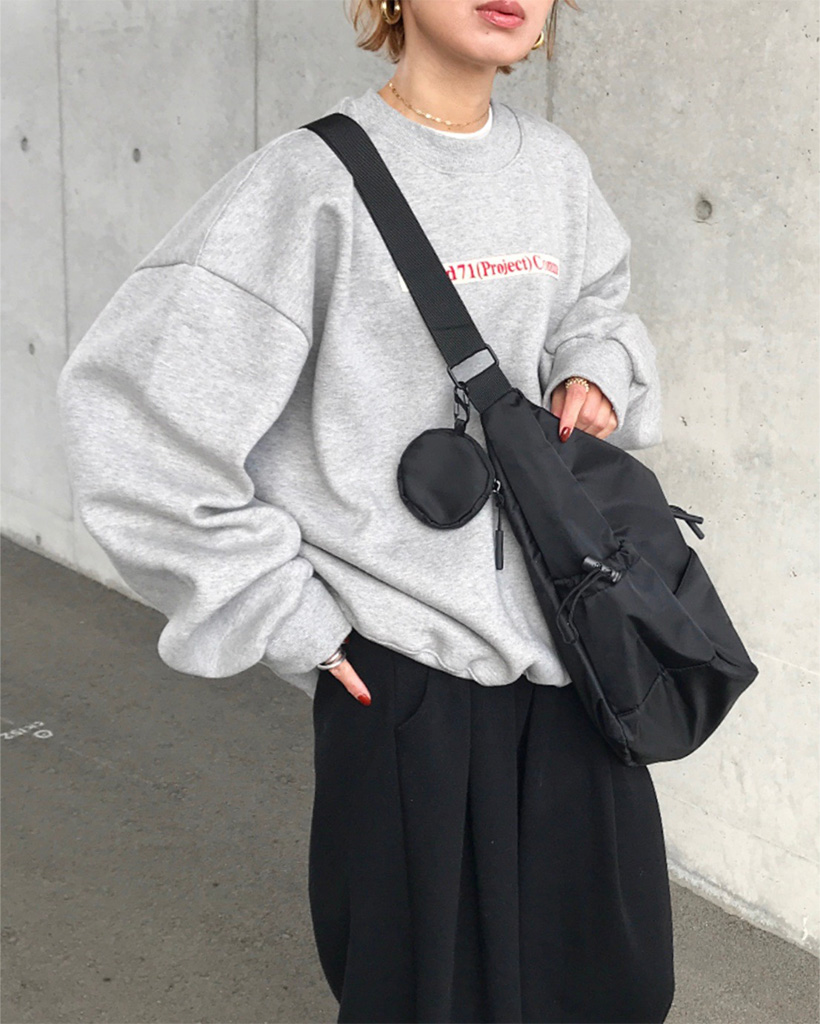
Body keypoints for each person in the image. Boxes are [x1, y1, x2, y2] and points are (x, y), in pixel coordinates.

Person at [57, 0, 675, 1020]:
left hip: (575, 648)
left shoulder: (554, 170)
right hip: (405, 671)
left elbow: (596, 304)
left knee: (607, 981)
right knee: (426, 995)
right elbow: (136, 419)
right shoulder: (305, 185)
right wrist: (290, 616)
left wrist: (594, 368)